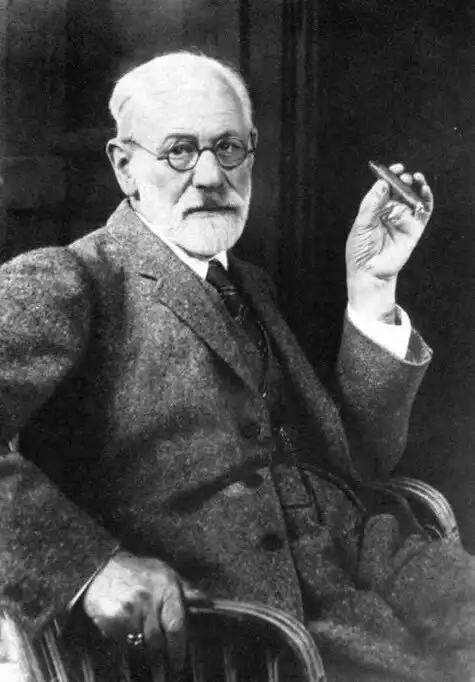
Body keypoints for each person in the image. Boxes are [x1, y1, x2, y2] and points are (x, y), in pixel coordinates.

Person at [0, 51, 473, 682]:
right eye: (178, 151)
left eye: (227, 148)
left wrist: (372, 286)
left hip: (402, 572)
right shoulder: (71, 279)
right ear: (124, 166)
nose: (208, 176)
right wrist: (89, 568)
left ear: (250, 152)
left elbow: (362, 462)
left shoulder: (251, 286)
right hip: (254, 636)